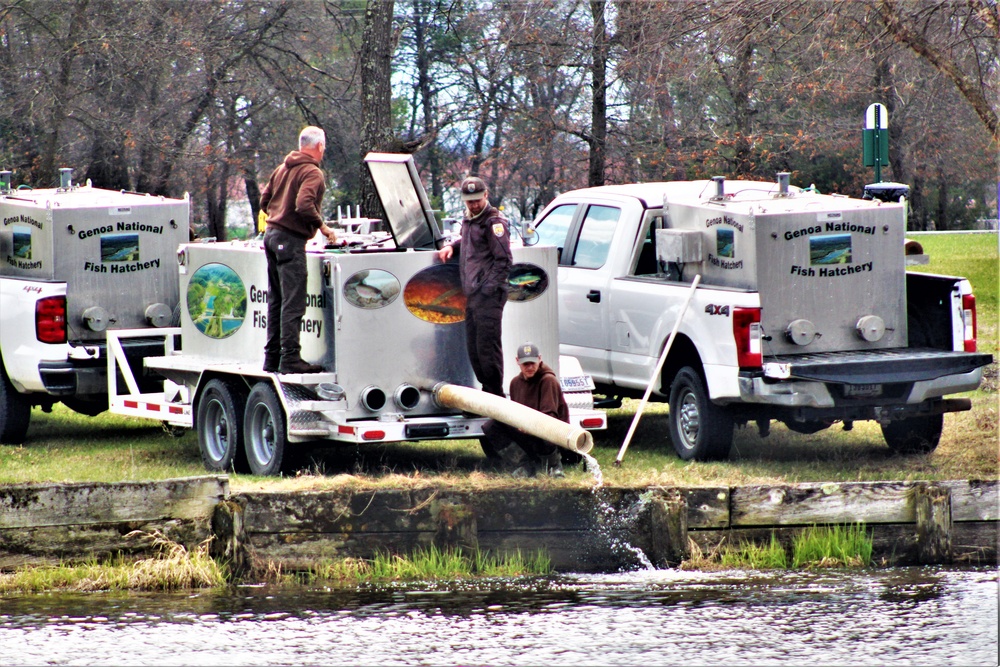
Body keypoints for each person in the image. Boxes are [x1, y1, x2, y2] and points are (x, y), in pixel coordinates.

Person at [259, 126, 337, 374]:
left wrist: (276, 213)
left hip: (271, 236)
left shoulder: (282, 168)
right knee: (293, 303)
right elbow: (304, 204)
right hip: (290, 241)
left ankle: (272, 359)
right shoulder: (312, 172)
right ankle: (291, 359)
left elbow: (264, 200)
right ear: (320, 146)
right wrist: (323, 228)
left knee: (277, 301)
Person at [436, 176, 512, 396]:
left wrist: (487, 289)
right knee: (474, 350)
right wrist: (453, 246)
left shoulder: (494, 222)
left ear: (486, 195)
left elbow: (504, 261)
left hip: (488, 295)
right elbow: (471, 242)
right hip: (473, 295)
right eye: (470, 201)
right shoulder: (470, 219)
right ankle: (486, 394)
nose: (474, 204)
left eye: (478, 200)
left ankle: (495, 397)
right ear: (463, 200)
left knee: (488, 350)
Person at [482, 342, 569, 478]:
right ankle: (523, 465)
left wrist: (530, 426)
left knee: (548, 427)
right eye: (525, 364)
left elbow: (549, 417)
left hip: (548, 433)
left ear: (539, 359)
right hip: (526, 431)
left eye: (532, 363)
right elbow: (515, 413)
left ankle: (553, 466)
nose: (529, 367)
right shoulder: (515, 383)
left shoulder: (548, 380)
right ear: (517, 362)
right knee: (491, 426)